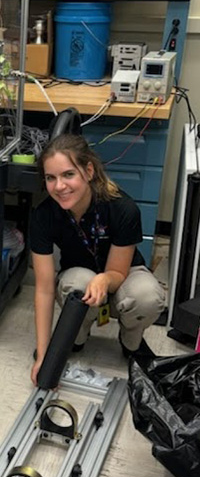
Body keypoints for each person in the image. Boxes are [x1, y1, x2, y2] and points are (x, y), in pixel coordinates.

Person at [29, 132, 166, 385]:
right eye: (51, 178)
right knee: (79, 285)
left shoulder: (122, 208)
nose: (59, 186)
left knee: (147, 296)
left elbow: (117, 272)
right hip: (81, 279)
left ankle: (131, 341)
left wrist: (105, 279)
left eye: (68, 174)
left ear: (89, 171)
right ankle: (77, 337)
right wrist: (45, 352)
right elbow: (45, 289)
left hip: (122, 276)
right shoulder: (43, 216)